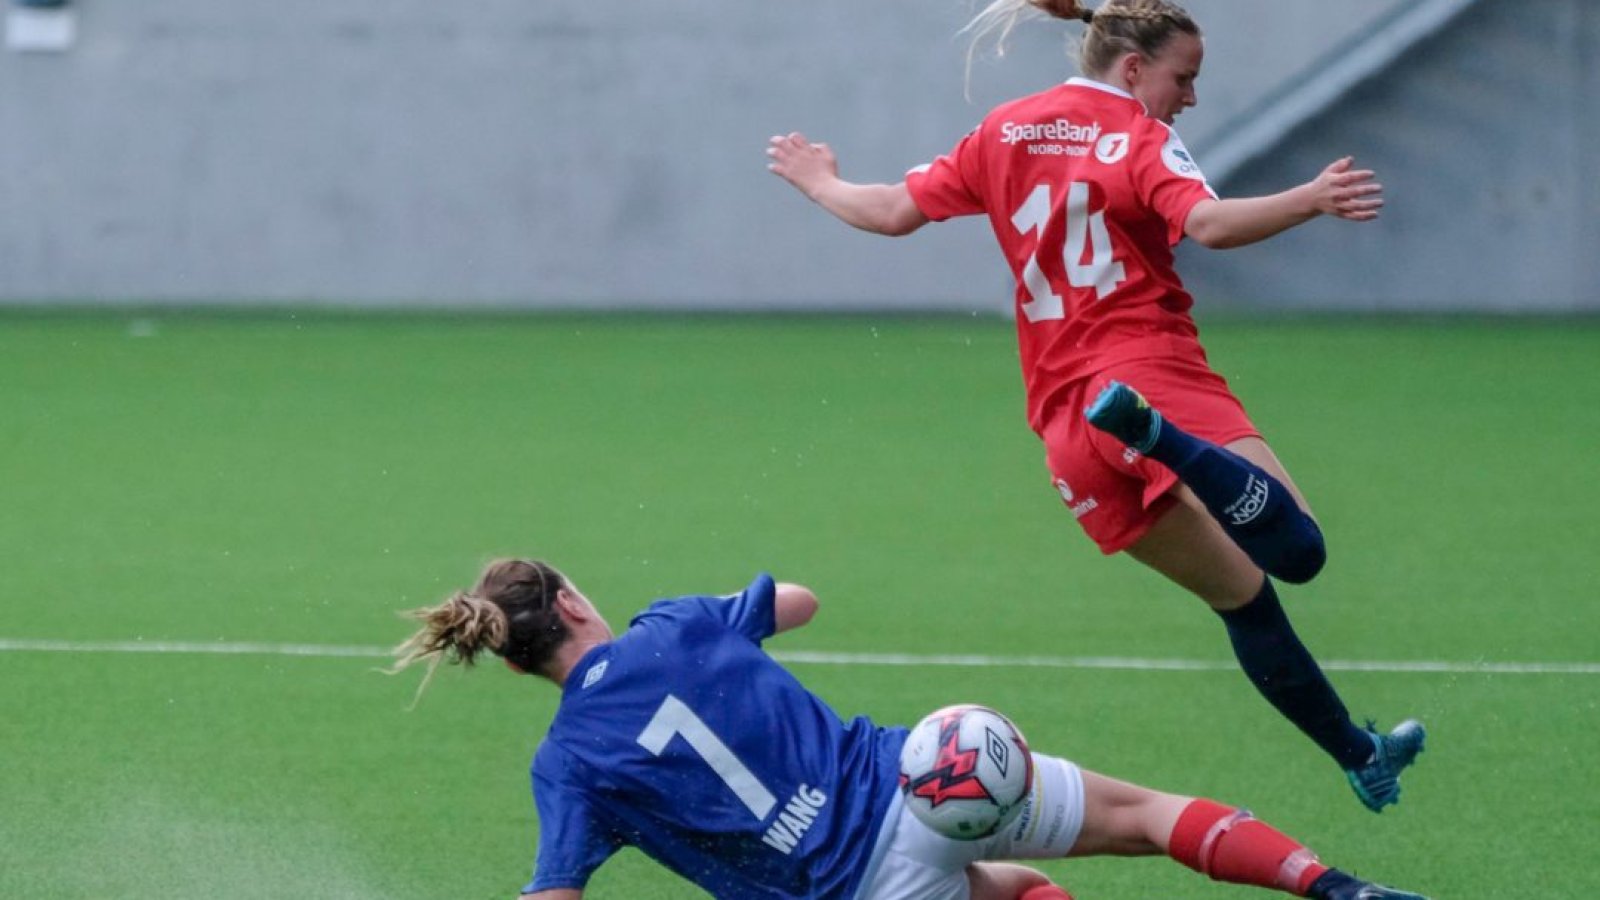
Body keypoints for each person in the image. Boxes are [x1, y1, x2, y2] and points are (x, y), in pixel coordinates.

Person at [765, 0, 1425, 812]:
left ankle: (1359, 754)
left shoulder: (1005, 129)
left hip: (1067, 426)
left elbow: (895, 212)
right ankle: (1164, 441)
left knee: (1244, 598)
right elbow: (1209, 225)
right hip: (1152, 371)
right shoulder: (1139, 137)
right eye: (1184, 79)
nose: (1189, 97)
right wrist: (1311, 197)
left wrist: (818, 180)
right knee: (1299, 552)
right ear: (1135, 68)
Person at [390, 557, 1431, 899]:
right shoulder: (674, 627)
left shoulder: (566, 764)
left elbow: (555, 892)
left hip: (855, 886)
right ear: (572, 606)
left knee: (1001, 888)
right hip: (925, 775)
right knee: (1140, 823)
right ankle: (1333, 888)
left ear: (517, 659)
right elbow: (797, 599)